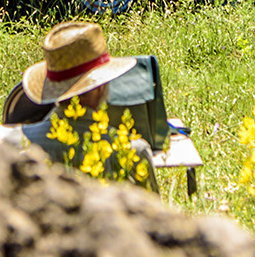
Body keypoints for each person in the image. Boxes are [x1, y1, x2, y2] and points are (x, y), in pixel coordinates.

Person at [19, 19, 155, 189]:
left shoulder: (18, 146)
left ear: (53, 88)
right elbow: (153, 212)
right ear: (101, 86)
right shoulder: (133, 151)